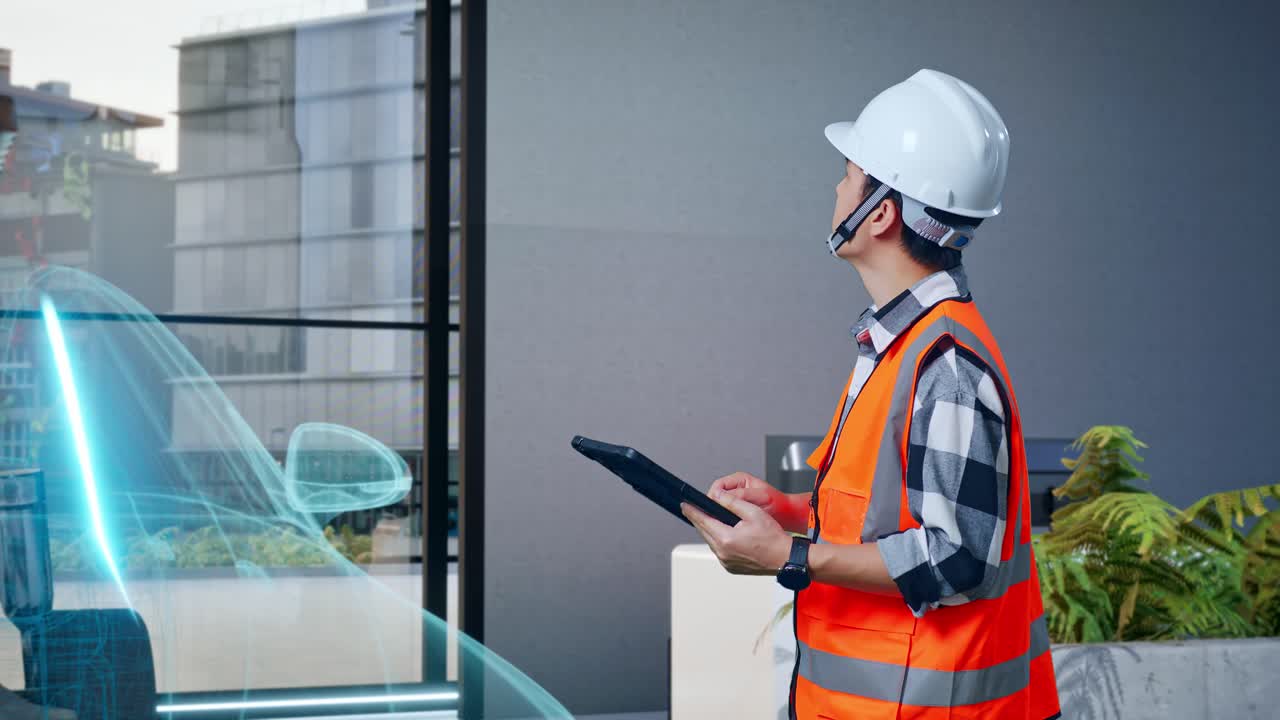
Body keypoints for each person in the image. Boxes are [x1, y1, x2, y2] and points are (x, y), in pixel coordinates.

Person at [681, 70, 1061, 719]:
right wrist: (793, 511)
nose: (837, 189)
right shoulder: (901, 344)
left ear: (880, 212)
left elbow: (960, 559)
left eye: (849, 174)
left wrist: (791, 555)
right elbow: (890, 516)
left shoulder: (945, 365)